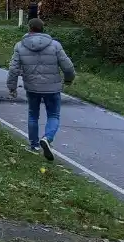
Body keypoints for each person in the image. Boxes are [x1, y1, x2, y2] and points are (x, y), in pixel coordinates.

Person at [6, 17, 76, 160]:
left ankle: (33, 145)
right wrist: (68, 80)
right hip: (52, 87)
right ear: (43, 29)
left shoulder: (20, 46)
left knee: (33, 115)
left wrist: (12, 87)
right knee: (53, 115)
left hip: (32, 87)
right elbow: (68, 67)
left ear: (29, 28)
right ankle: (47, 138)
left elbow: (13, 69)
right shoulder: (55, 45)